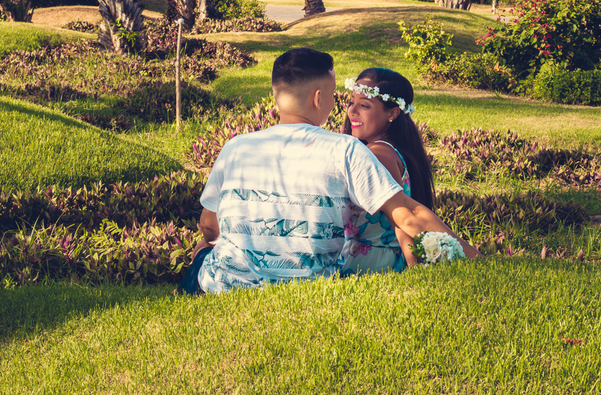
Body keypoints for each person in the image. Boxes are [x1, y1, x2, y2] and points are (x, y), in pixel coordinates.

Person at [181, 48, 469, 295]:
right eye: (336, 96)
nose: (344, 108)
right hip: (308, 285)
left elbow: (209, 226)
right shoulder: (346, 150)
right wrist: (473, 256)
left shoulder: (235, 147)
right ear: (318, 98)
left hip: (228, 286)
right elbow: (409, 216)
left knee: (204, 248)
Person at [339, 68, 434, 276]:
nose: (352, 111)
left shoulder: (378, 154)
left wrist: (416, 271)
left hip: (372, 265)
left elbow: (400, 221)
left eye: (364, 105)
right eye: (351, 102)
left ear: (392, 113)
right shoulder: (386, 149)